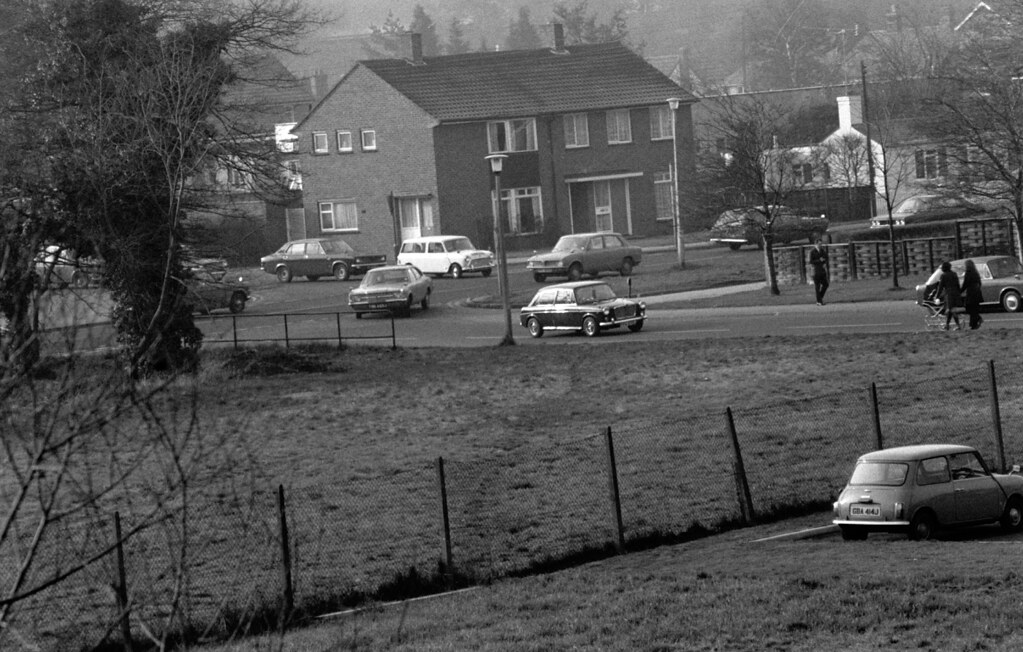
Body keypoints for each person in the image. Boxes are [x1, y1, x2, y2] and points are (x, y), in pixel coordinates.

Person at [937, 261, 962, 331]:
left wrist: (937, 296)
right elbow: (958, 285)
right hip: (956, 293)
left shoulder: (943, 276)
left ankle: (957, 325)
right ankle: (947, 325)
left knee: (951, 310)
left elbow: (940, 287)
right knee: (951, 310)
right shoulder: (954, 274)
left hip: (949, 294)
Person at [961, 259, 984, 330]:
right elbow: (980, 283)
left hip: (971, 293)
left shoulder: (968, 273)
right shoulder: (976, 273)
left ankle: (975, 321)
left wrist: (960, 291)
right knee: (974, 308)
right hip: (977, 293)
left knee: (968, 307)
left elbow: (965, 284)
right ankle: (974, 324)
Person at [809, 239, 829, 305]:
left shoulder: (822, 250)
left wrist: (824, 261)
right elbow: (811, 261)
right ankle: (819, 301)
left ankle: (819, 298)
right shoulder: (812, 251)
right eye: (819, 244)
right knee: (817, 286)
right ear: (816, 244)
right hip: (816, 270)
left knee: (826, 284)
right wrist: (819, 260)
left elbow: (826, 257)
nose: (821, 245)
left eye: (821, 244)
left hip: (822, 270)